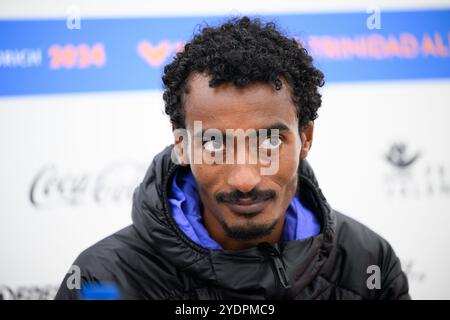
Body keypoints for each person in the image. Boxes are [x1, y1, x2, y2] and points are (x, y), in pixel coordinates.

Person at [55, 16, 410, 300]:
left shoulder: (367, 264)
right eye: (214, 144)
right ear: (182, 146)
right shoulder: (102, 280)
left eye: (269, 141)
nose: (245, 179)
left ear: (306, 138)